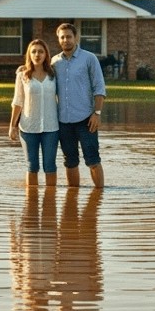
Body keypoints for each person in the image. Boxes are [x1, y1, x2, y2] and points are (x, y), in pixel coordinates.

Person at [51, 22, 107, 188]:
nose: (66, 40)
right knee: (70, 162)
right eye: (62, 37)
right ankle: (72, 198)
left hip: (86, 120)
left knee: (93, 160)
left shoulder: (89, 58)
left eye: (69, 36)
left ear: (76, 37)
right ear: (58, 39)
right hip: (63, 121)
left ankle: (99, 195)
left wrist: (97, 113)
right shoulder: (54, 62)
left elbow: (99, 88)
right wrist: (23, 70)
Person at [8, 39, 59, 187]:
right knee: (32, 166)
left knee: (50, 165)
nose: (37, 54)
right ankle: (31, 199)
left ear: (46, 54)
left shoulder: (54, 74)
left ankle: (51, 198)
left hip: (51, 127)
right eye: (34, 51)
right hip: (28, 127)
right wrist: (12, 126)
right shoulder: (22, 75)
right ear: (29, 55)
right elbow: (18, 101)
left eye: (41, 51)